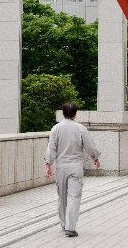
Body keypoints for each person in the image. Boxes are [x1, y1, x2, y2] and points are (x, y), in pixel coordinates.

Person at [44, 102, 101, 238]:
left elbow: (51, 148)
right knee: (74, 196)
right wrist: (95, 157)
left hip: (61, 167)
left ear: (63, 113)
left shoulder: (56, 128)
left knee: (62, 196)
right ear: (75, 114)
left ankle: (64, 224)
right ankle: (70, 227)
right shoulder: (80, 128)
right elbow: (89, 145)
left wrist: (48, 164)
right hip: (75, 167)